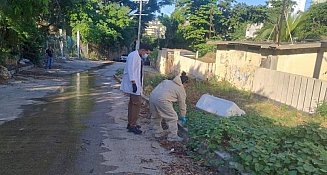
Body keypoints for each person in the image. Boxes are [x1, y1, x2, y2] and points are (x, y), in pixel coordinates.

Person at [120, 44, 151, 135]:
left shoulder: (137, 56)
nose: (146, 54)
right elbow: (131, 70)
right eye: (146, 52)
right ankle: (132, 125)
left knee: (132, 104)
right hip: (133, 84)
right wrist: (133, 83)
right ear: (142, 50)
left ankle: (131, 124)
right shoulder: (133, 56)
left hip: (136, 83)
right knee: (136, 104)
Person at [149, 72, 188, 142]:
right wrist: (183, 116)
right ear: (184, 83)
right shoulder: (180, 89)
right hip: (162, 100)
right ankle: (172, 137)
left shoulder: (167, 81)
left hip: (152, 96)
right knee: (173, 117)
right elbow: (182, 104)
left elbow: (164, 91)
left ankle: (157, 133)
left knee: (156, 116)